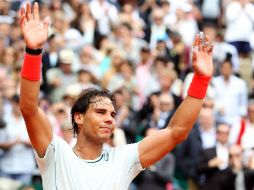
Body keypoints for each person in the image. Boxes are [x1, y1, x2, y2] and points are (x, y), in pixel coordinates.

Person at [19, 2, 213, 190]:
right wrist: (34, 51)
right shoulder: (56, 153)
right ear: (79, 117)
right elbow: (29, 108)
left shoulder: (122, 159)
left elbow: (176, 131)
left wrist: (201, 80)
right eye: (101, 112)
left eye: (112, 114)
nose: (109, 119)